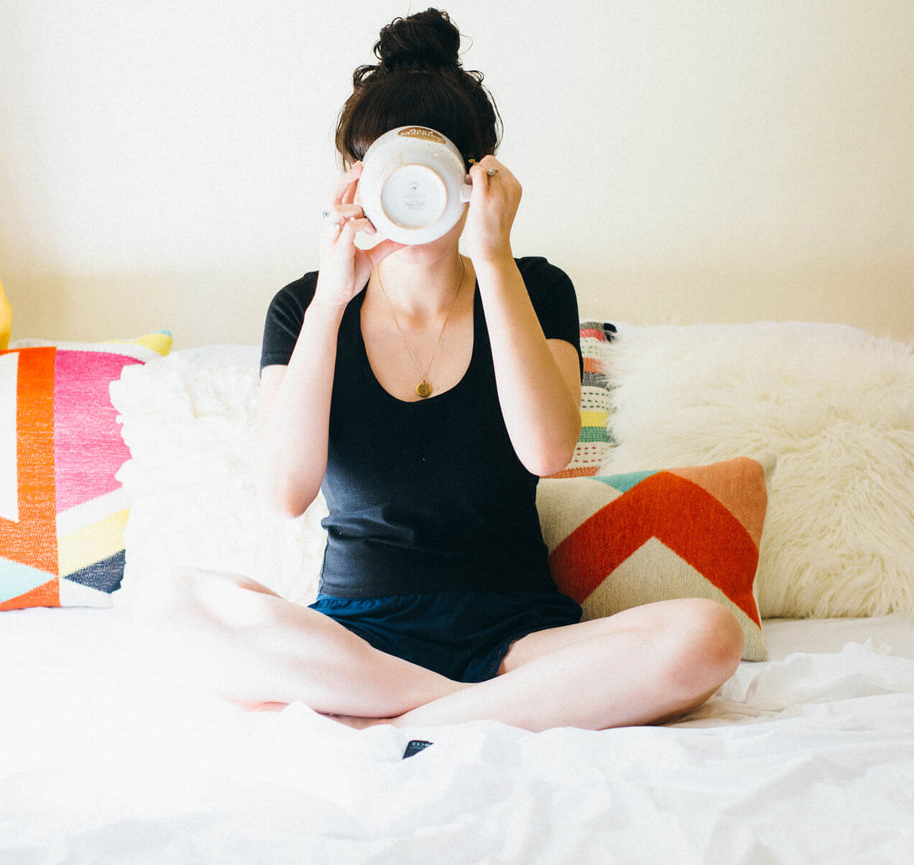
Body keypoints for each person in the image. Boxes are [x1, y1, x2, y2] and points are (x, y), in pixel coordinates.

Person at [165, 8, 743, 732]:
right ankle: (465, 711)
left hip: (518, 636)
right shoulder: (305, 304)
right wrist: (332, 298)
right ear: (355, 179)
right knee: (172, 604)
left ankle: (401, 715)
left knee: (707, 635)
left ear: (476, 177)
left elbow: (548, 452)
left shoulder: (534, 287)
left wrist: (494, 259)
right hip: (357, 637)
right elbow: (285, 494)